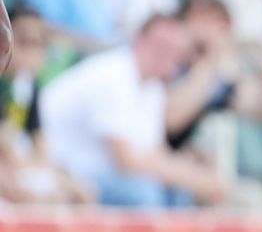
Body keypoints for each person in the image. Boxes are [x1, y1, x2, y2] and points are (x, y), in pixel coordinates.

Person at [38, 13, 228, 208]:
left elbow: (155, 154)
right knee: (144, 193)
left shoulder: (152, 88)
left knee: (177, 192)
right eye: (162, 46)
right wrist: (196, 179)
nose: (167, 56)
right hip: (61, 170)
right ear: (141, 40)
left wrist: (198, 177)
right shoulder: (113, 75)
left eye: (175, 51)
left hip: (101, 174)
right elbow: (126, 161)